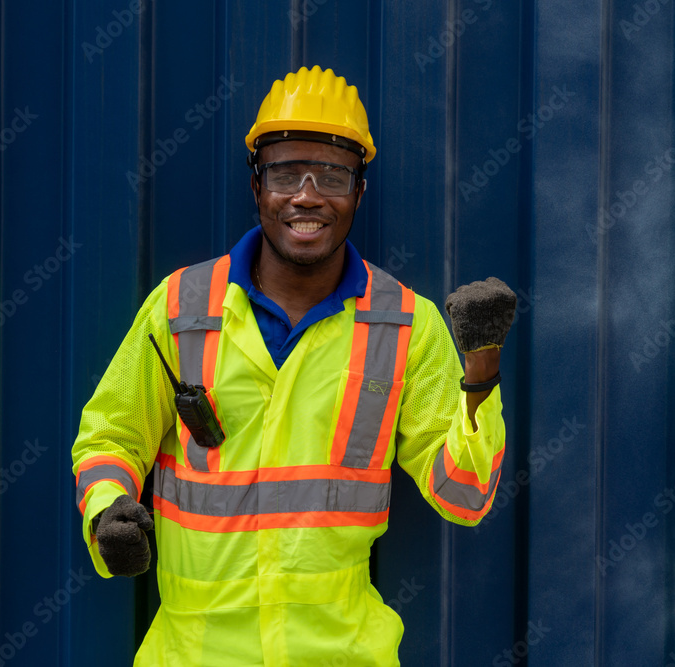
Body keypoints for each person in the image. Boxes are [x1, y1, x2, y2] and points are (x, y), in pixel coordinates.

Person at [72, 65, 516, 666]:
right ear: (257, 186)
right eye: (285, 172)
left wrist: (482, 368)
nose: (307, 194)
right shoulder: (181, 307)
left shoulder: (406, 324)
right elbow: (111, 436)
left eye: (332, 174)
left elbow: (464, 495)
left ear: (360, 190)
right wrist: (107, 512)